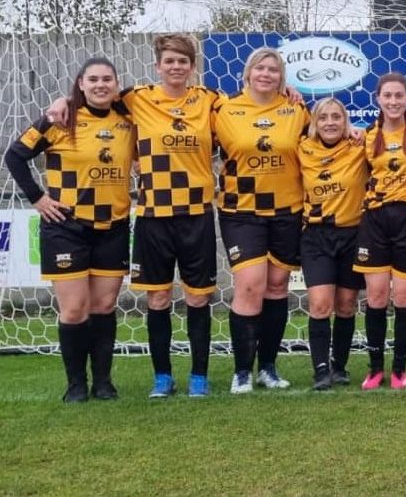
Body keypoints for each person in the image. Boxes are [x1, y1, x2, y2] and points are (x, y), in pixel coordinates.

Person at [45, 34, 221, 398]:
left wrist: (290, 94)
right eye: (169, 61)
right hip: (153, 215)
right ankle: (162, 377)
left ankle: (199, 377)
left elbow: (250, 108)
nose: (176, 67)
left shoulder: (209, 100)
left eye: (183, 61)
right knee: (157, 300)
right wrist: (63, 101)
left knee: (198, 299)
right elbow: (95, 97)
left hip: (197, 213)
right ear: (157, 66)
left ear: (193, 67)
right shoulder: (136, 98)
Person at [5, 58, 135, 402]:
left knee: (104, 306)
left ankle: (103, 382)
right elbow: (15, 156)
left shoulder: (129, 119)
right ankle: (76, 384)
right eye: (93, 79)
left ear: (116, 84)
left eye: (107, 79)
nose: (100, 85)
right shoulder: (60, 119)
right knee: (75, 308)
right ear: (81, 84)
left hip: (113, 225)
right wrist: (37, 197)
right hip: (66, 225)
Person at [211, 47, 309, 394]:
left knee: (277, 286)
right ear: (248, 73)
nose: (266, 74)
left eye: (273, 69)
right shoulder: (223, 108)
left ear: (282, 77)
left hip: (287, 210)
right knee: (251, 285)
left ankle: (268, 367)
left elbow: (323, 142)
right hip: (241, 211)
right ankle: (241, 371)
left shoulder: (296, 109)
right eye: (260, 68)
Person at [353, 73, 406, 390]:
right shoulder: (366, 136)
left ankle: (399, 369)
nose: (393, 101)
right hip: (375, 220)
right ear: (378, 99)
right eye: (387, 95)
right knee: (375, 296)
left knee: (403, 296)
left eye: (399, 95)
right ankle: (375, 369)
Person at [297, 98, 368, 390]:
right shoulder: (301, 148)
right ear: (314, 122)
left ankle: (339, 366)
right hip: (316, 235)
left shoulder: (359, 146)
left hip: (353, 234)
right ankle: (320, 370)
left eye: (336, 117)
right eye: (323, 117)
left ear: (345, 121)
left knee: (347, 305)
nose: (330, 122)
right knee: (320, 304)